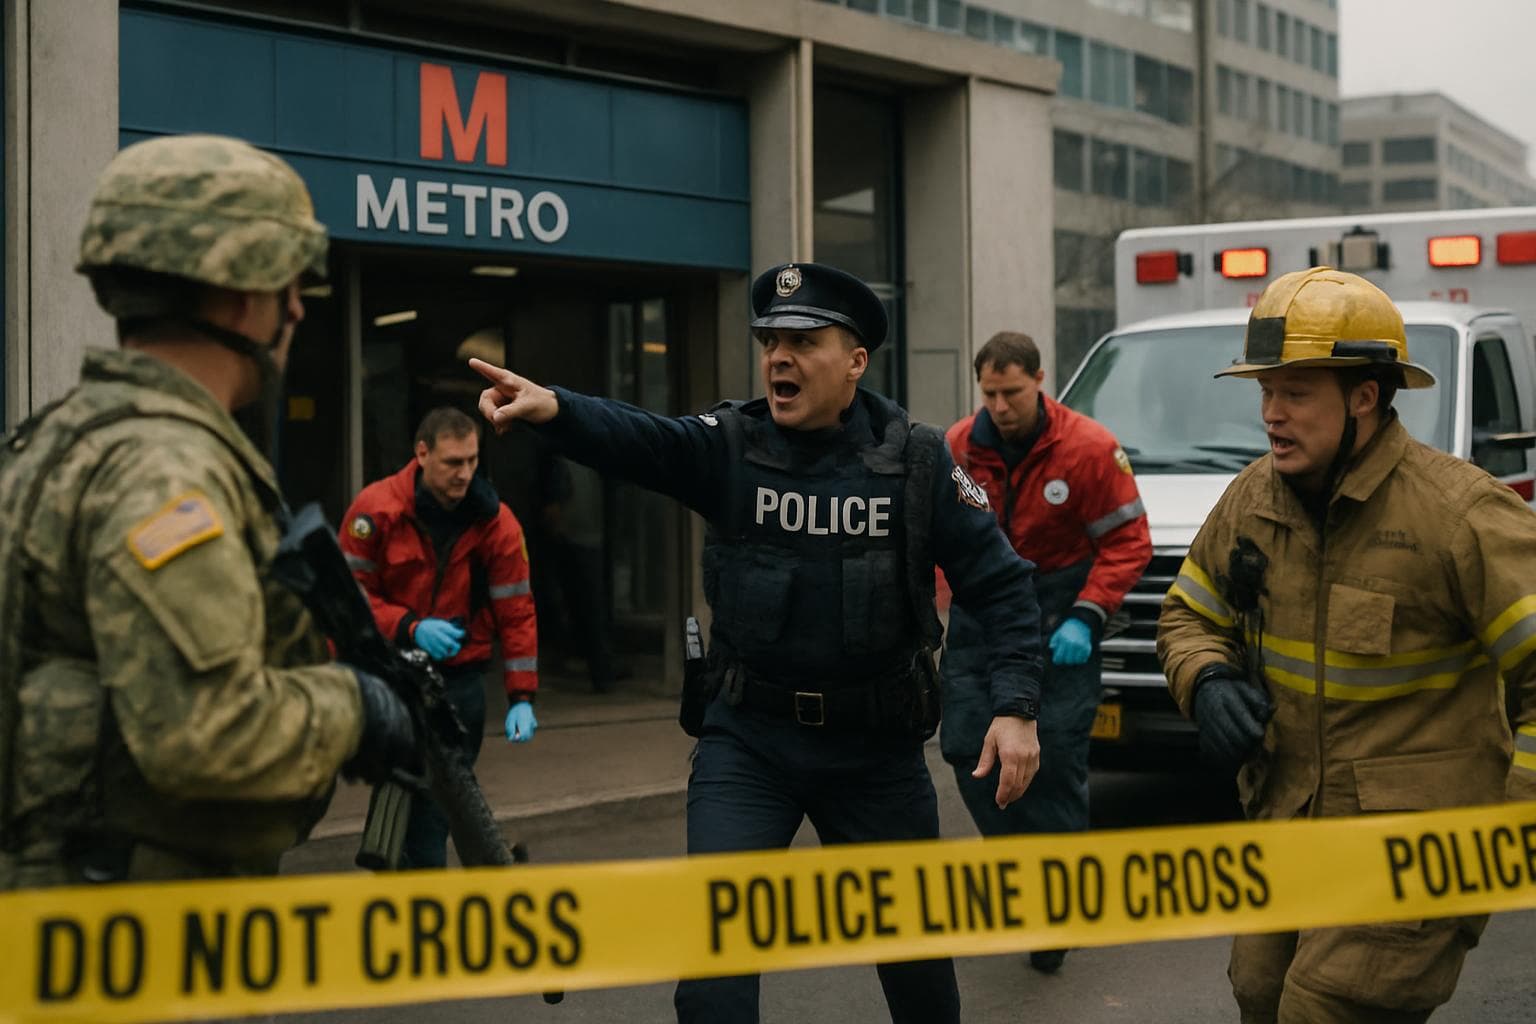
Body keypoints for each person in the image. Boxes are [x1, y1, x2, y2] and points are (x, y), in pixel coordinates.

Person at [472, 262, 1044, 1024]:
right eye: (770, 339)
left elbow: (1002, 586)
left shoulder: (918, 462)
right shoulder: (730, 446)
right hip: (751, 742)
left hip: (874, 751)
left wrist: (1017, 707)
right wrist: (557, 410)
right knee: (715, 973)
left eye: (803, 341)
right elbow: (643, 440)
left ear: (854, 361)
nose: (779, 356)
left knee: (917, 973)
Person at [0, 134, 417, 889]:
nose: (297, 307)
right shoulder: (167, 475)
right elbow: (206, 731)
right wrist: (353, 706)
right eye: (288, 282)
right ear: (239, 289)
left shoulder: (55, 439)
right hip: (131, 941)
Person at [1157, 267, 1536, 1024]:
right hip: (1288, 824)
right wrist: (1206, 679)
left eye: (1295, 393)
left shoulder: (1460, 516)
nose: (1271, 414)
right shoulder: (1253, 498)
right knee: (1259, 992)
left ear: (1366, 395)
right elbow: (1187, 615)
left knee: (1324, 1007)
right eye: (1265, 392)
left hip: (1416, 845)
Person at [939, 330, 1151, 974]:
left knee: (1053, 763)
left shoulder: (1087, 448)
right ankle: (1021, 873)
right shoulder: (957, 447)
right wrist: (951, 600)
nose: (1000, 406)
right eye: (990, 393)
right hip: (981, 619)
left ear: (1039, 380)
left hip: (1060, 614)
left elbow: (1128, 542)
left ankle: (1056, 907)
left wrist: (1088, 614)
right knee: (963, 749)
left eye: (1012, 392)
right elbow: (941, 535)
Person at [340, 406, 539, 868]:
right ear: (422, 453)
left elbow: (517, 610)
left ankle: (421, 895)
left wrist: (522, 696)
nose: (464, 473)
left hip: (460, 683)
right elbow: (348, 598)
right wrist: (408, 626)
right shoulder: (376, 511)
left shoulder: (496, 523)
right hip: (392, 675)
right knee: (398, 794)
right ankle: (414, 890)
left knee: (435, 804)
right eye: (453, 462)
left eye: (471, 461)